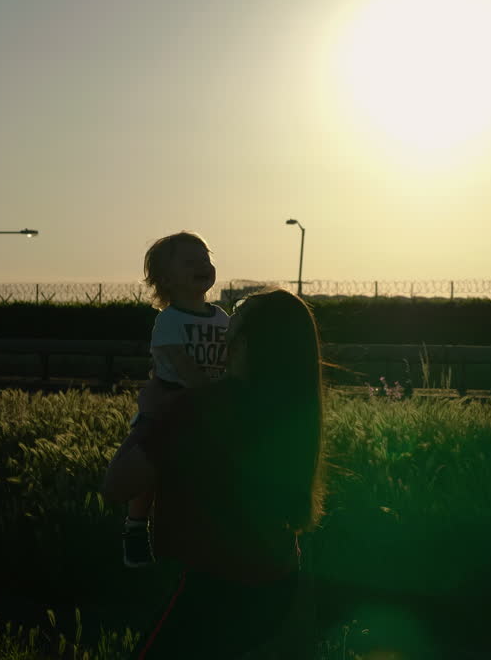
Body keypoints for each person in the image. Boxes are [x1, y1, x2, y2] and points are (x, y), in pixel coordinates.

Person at [102, 288, 328, 659]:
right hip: (275, 587)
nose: (227, 313)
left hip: (212, 588)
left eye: (239, 309)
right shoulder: (292, 411)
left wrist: (149, 417)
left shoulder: (197, 410)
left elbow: (117, 485)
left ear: (245, 341)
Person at [123, 231, 229, 568]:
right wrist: (215, 397)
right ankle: (136, 525)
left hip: (208, 405)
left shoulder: (221, 318)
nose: (202, 266)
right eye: (190, 262)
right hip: (170, 405)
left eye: (205, 259)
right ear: (166, 279)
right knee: (148, 463)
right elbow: (183, 366)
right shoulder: (169, 320)